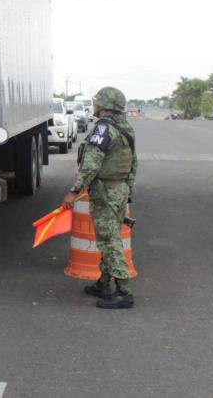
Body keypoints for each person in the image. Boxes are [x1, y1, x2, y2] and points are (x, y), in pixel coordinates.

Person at [62, 87, 138, 309]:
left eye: (96, 103)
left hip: (106, 193)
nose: (94, 106)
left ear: (103, 106)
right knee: (110, 236)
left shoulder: (103, 129)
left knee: (108, 241)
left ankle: (124, 292)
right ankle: (103, 283)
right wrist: (127, 189)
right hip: (120, 190)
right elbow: (133, 163)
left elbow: (91, 165)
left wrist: (74, 191)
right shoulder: (125, 127)